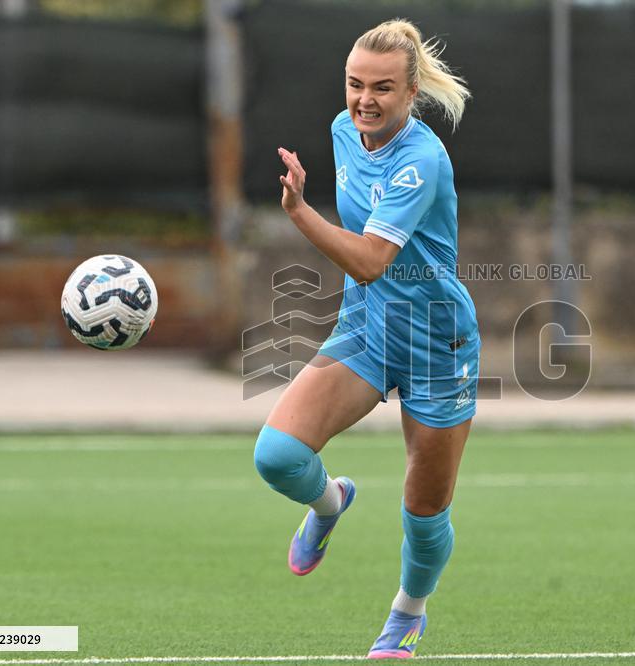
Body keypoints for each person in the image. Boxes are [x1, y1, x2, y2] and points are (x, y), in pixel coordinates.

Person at [254, 18, 477, 659]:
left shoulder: (423, 159)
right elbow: (366, 262)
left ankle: (408, 613)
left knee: (425, 512)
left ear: (412, 94)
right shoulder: (341, 131)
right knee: (276, 456)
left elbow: (372, 259)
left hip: (439, 344)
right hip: (368, 330)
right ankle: (329, 503)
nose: (364, 100)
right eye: (355, 84)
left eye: (382, 88)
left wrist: (300, 213)